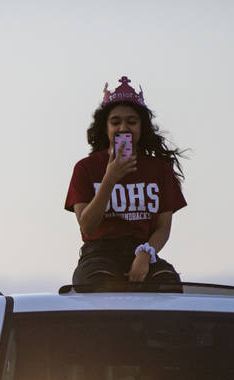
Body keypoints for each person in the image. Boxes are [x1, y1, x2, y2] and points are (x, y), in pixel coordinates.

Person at [65, 76, 187, 286]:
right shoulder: (85, 168)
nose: (123, 128)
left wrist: (145, 254)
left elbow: (163, 227)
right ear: (106, 128)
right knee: (101, 286)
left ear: (142, 127)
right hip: (98, 254)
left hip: (143, 250)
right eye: (115, 122)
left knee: (168, 284)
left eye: (131, 122)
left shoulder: (159, 171)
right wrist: (110, 178)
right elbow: (87, 226)